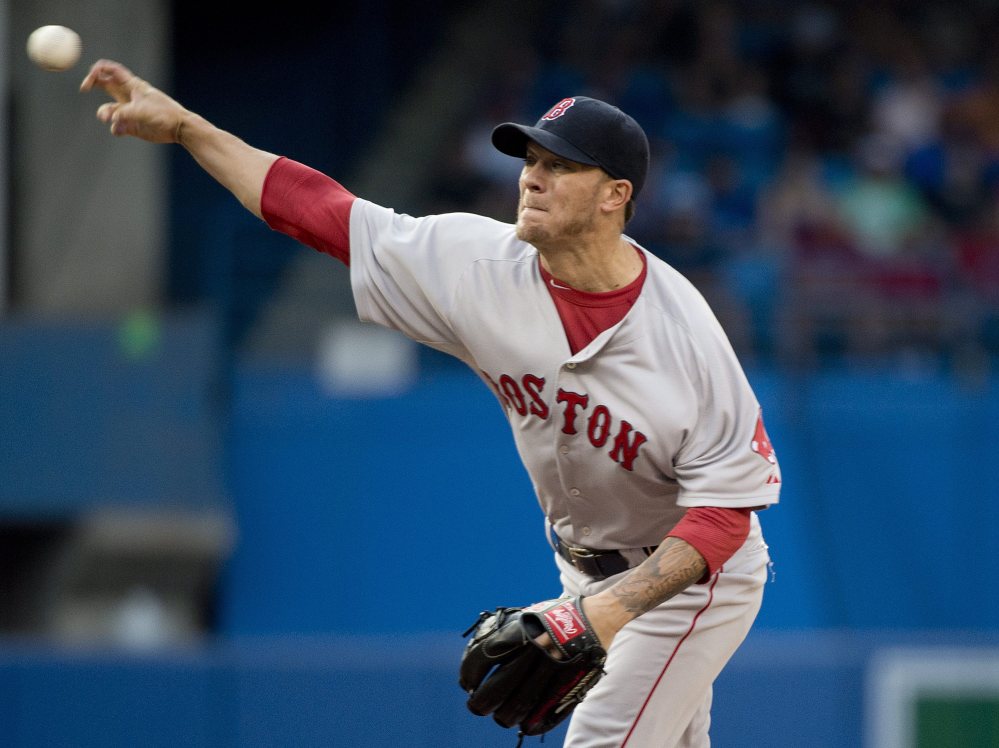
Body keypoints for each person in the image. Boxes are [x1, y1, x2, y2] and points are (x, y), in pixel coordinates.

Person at [81, 59, 781, 747]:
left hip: (690, 579)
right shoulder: (475, 263)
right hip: (581, 567)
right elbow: (321, 214)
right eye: (530, 158)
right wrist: (188, 129)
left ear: (613, 195)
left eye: (560, 166)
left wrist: (602, 613)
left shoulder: (685, 335)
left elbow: (722, 517)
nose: (532, 177)